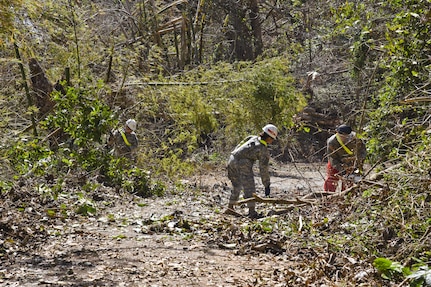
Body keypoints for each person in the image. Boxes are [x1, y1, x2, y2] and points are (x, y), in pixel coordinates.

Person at [225, 124, 278, 218]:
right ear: (269, 138)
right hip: (243, 164)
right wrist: (267, 185)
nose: (272, 141)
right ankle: (252, 212)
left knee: (237, 185)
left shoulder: (251, 138)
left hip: (231, 159)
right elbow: (263, 169)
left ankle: (230, 208)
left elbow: (239, 146)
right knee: (250, 188)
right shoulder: (263, 150)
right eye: (272, 139)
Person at [323, 124, 366, 192]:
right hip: (337, 162)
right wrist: (341, 170)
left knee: (350, 182)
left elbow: (362, 153)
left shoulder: (357, 140)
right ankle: (328, 196)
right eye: (343, 136)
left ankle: (347, 196)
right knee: (331, 180)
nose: (345, 138)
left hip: (352, 162)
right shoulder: (332, 142)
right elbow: (332, 158)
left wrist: (357, 165)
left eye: (347, 136)